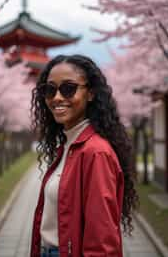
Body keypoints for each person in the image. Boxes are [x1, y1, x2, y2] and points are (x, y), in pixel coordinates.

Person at [30, 54, 138, 257]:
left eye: (68, 88)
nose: (57, 98)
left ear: (90, 93)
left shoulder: (95, 152)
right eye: (50, 90)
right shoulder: (69, 145)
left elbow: (102, 242)